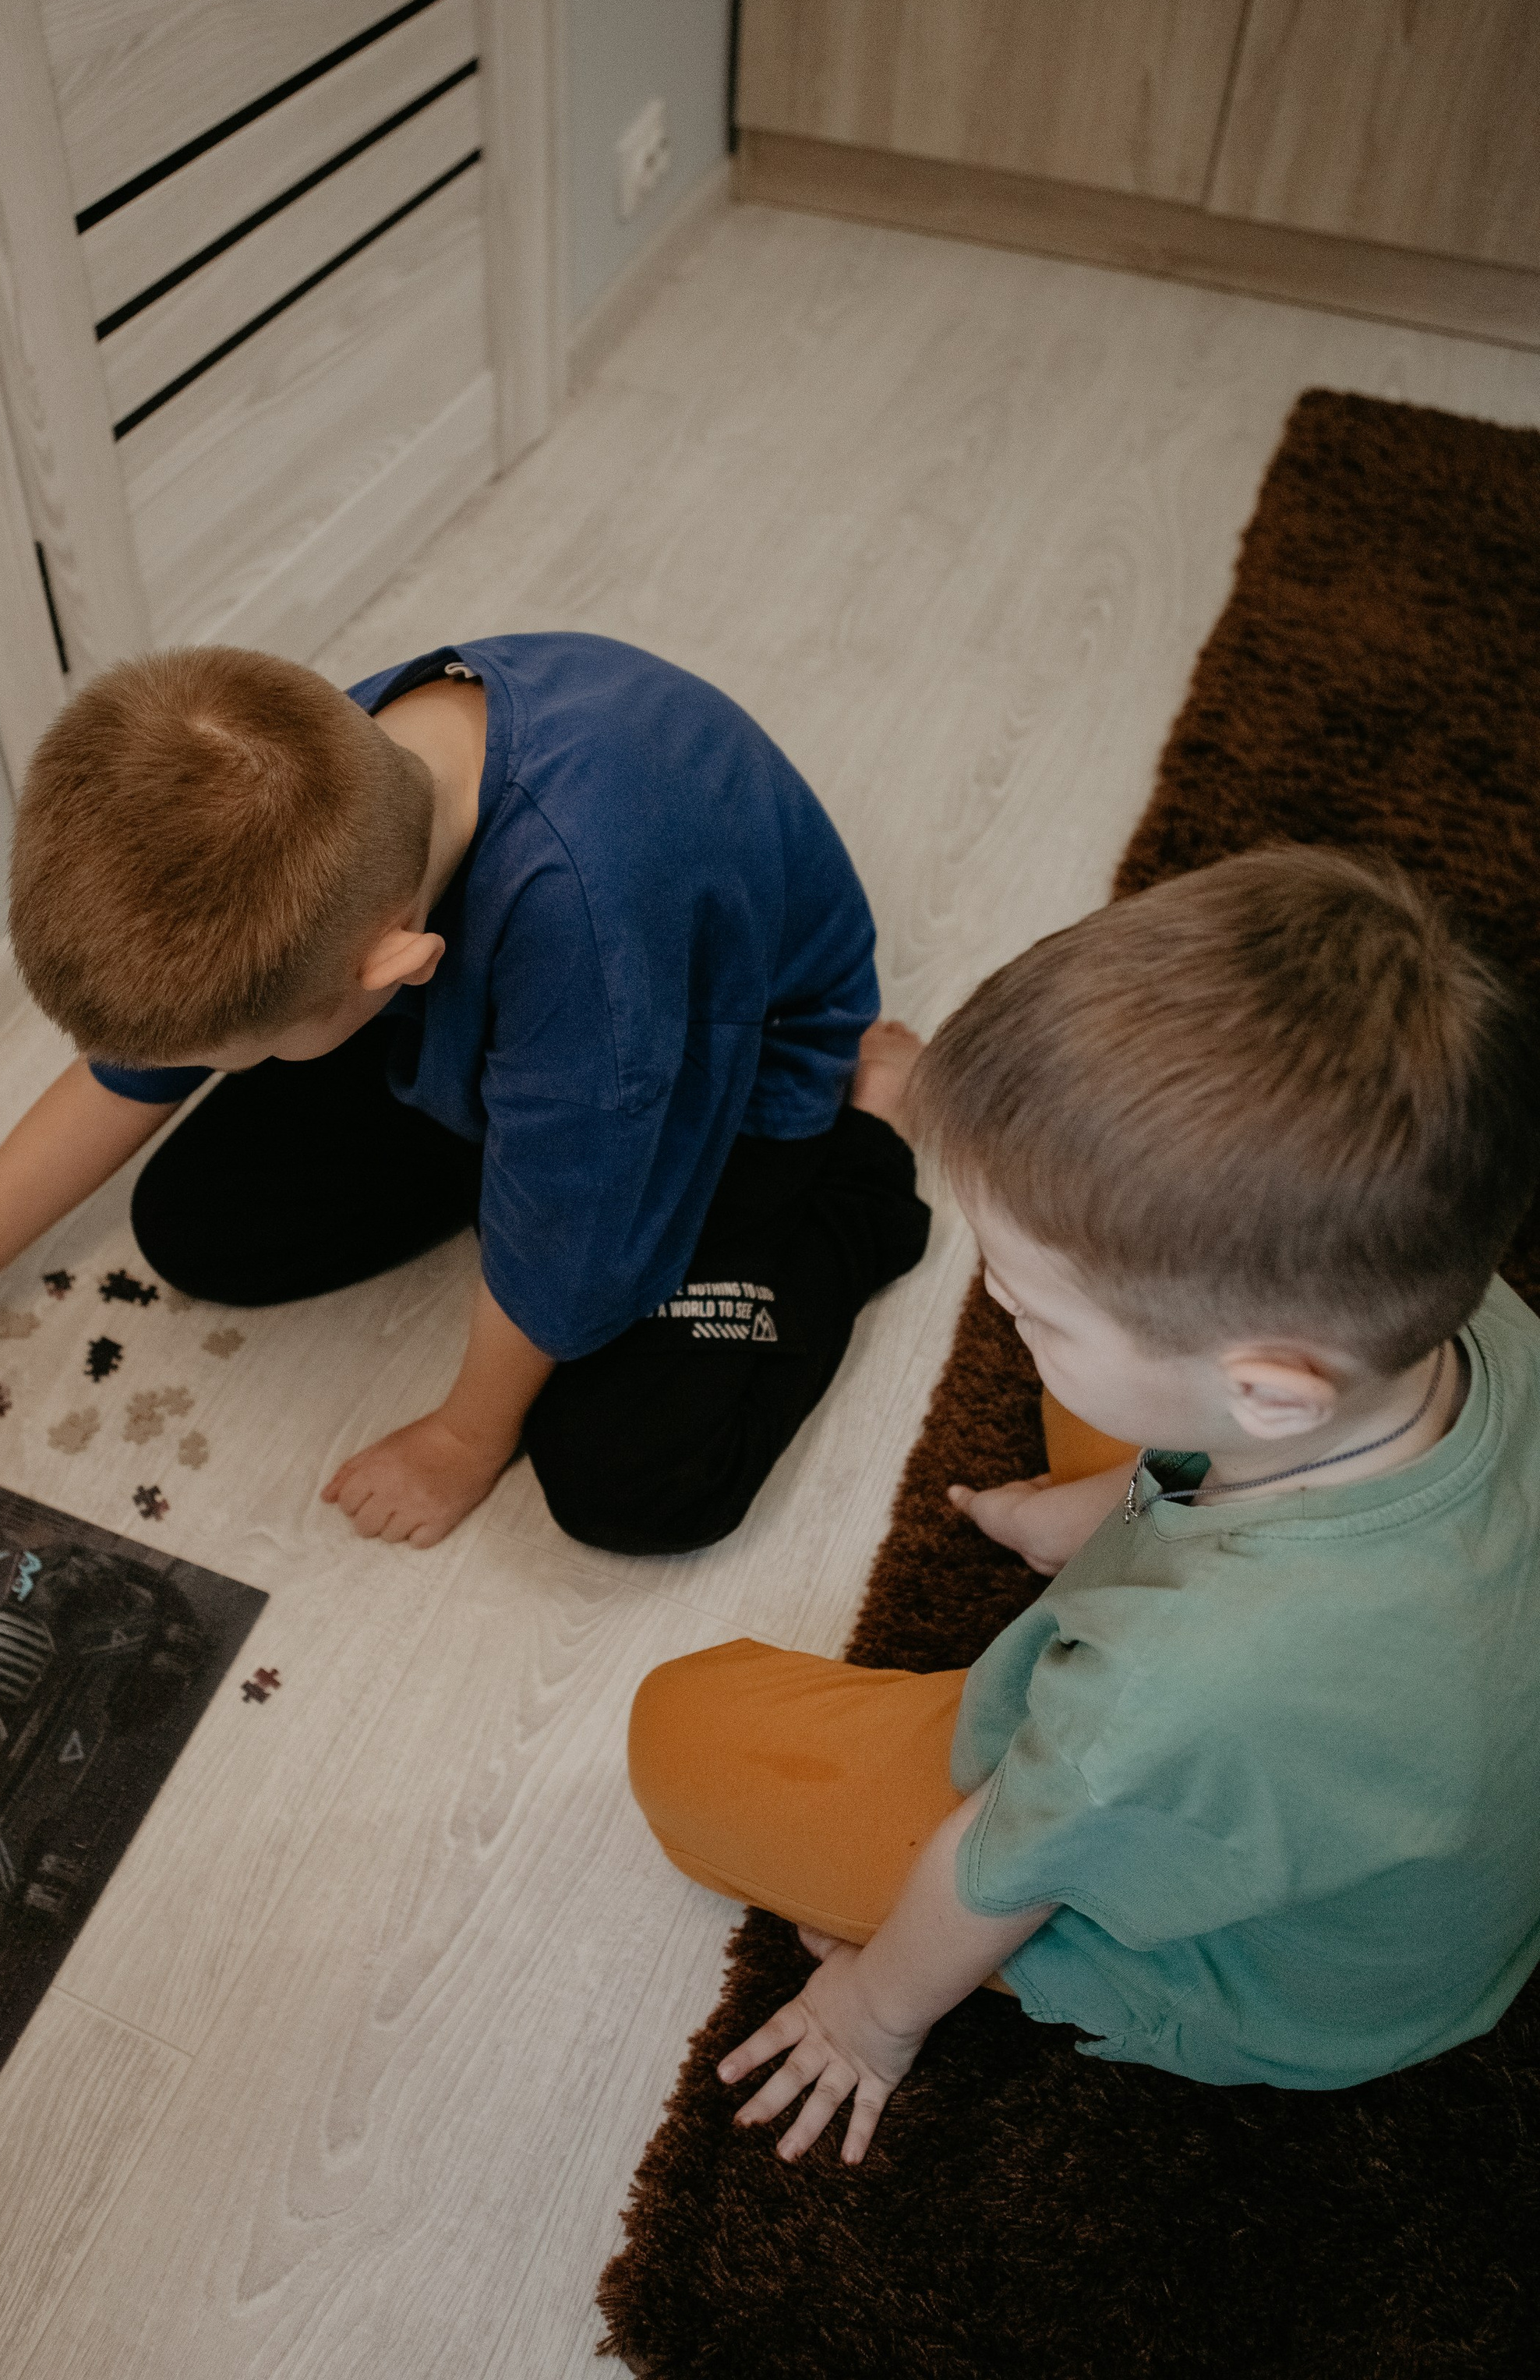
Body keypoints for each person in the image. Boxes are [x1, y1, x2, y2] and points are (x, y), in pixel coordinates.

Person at [627, 847, 1540, 2160]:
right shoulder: (1462, 1318)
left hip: (1264, 1972)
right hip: (1389, 1800)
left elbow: (999, 1865)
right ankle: (1113, 1459)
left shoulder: (1173, 1689)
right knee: (1133, 1379)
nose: (995, 1308)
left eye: (1025, 1303)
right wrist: (1110, 1502)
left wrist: (875, 2009)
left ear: (1271, 1391)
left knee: (683, 1735)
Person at [0, 635, 931, 1553]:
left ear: (387, 971)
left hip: (722, 1057)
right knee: (193, 1229)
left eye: (225, 1057)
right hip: (521, 1023)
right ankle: (478, 1118)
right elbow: (120, 1079)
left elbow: (567, 1241)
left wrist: (463, 1436)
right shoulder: (309, 774)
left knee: (631, 1485)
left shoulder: (589, 945)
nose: (195, 1078)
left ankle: (868, 1141)